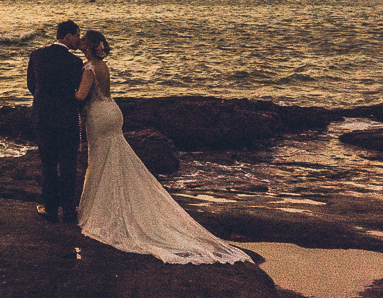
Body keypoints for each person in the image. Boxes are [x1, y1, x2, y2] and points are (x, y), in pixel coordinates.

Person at [75, 29, 251, 264]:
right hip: (113, 111)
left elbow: (80, 96)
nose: (81, 42)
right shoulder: (102, 66)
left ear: (89, 45)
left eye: (83, 40)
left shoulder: (88, 69)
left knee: (99, 160)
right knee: (113, 158)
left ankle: (101, 210)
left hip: (99, 115)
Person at [26, 20, 84, 224]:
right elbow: (79, 92)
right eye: (77, 35)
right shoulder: (76, 63)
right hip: (66, 117)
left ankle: (50, 208)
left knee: (48, 164)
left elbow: (31, 85)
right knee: (68, 165)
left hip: (43, 116)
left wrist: (44, 101)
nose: (78, 39)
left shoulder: (37, 55)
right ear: (68, 37)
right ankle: (68, 209)